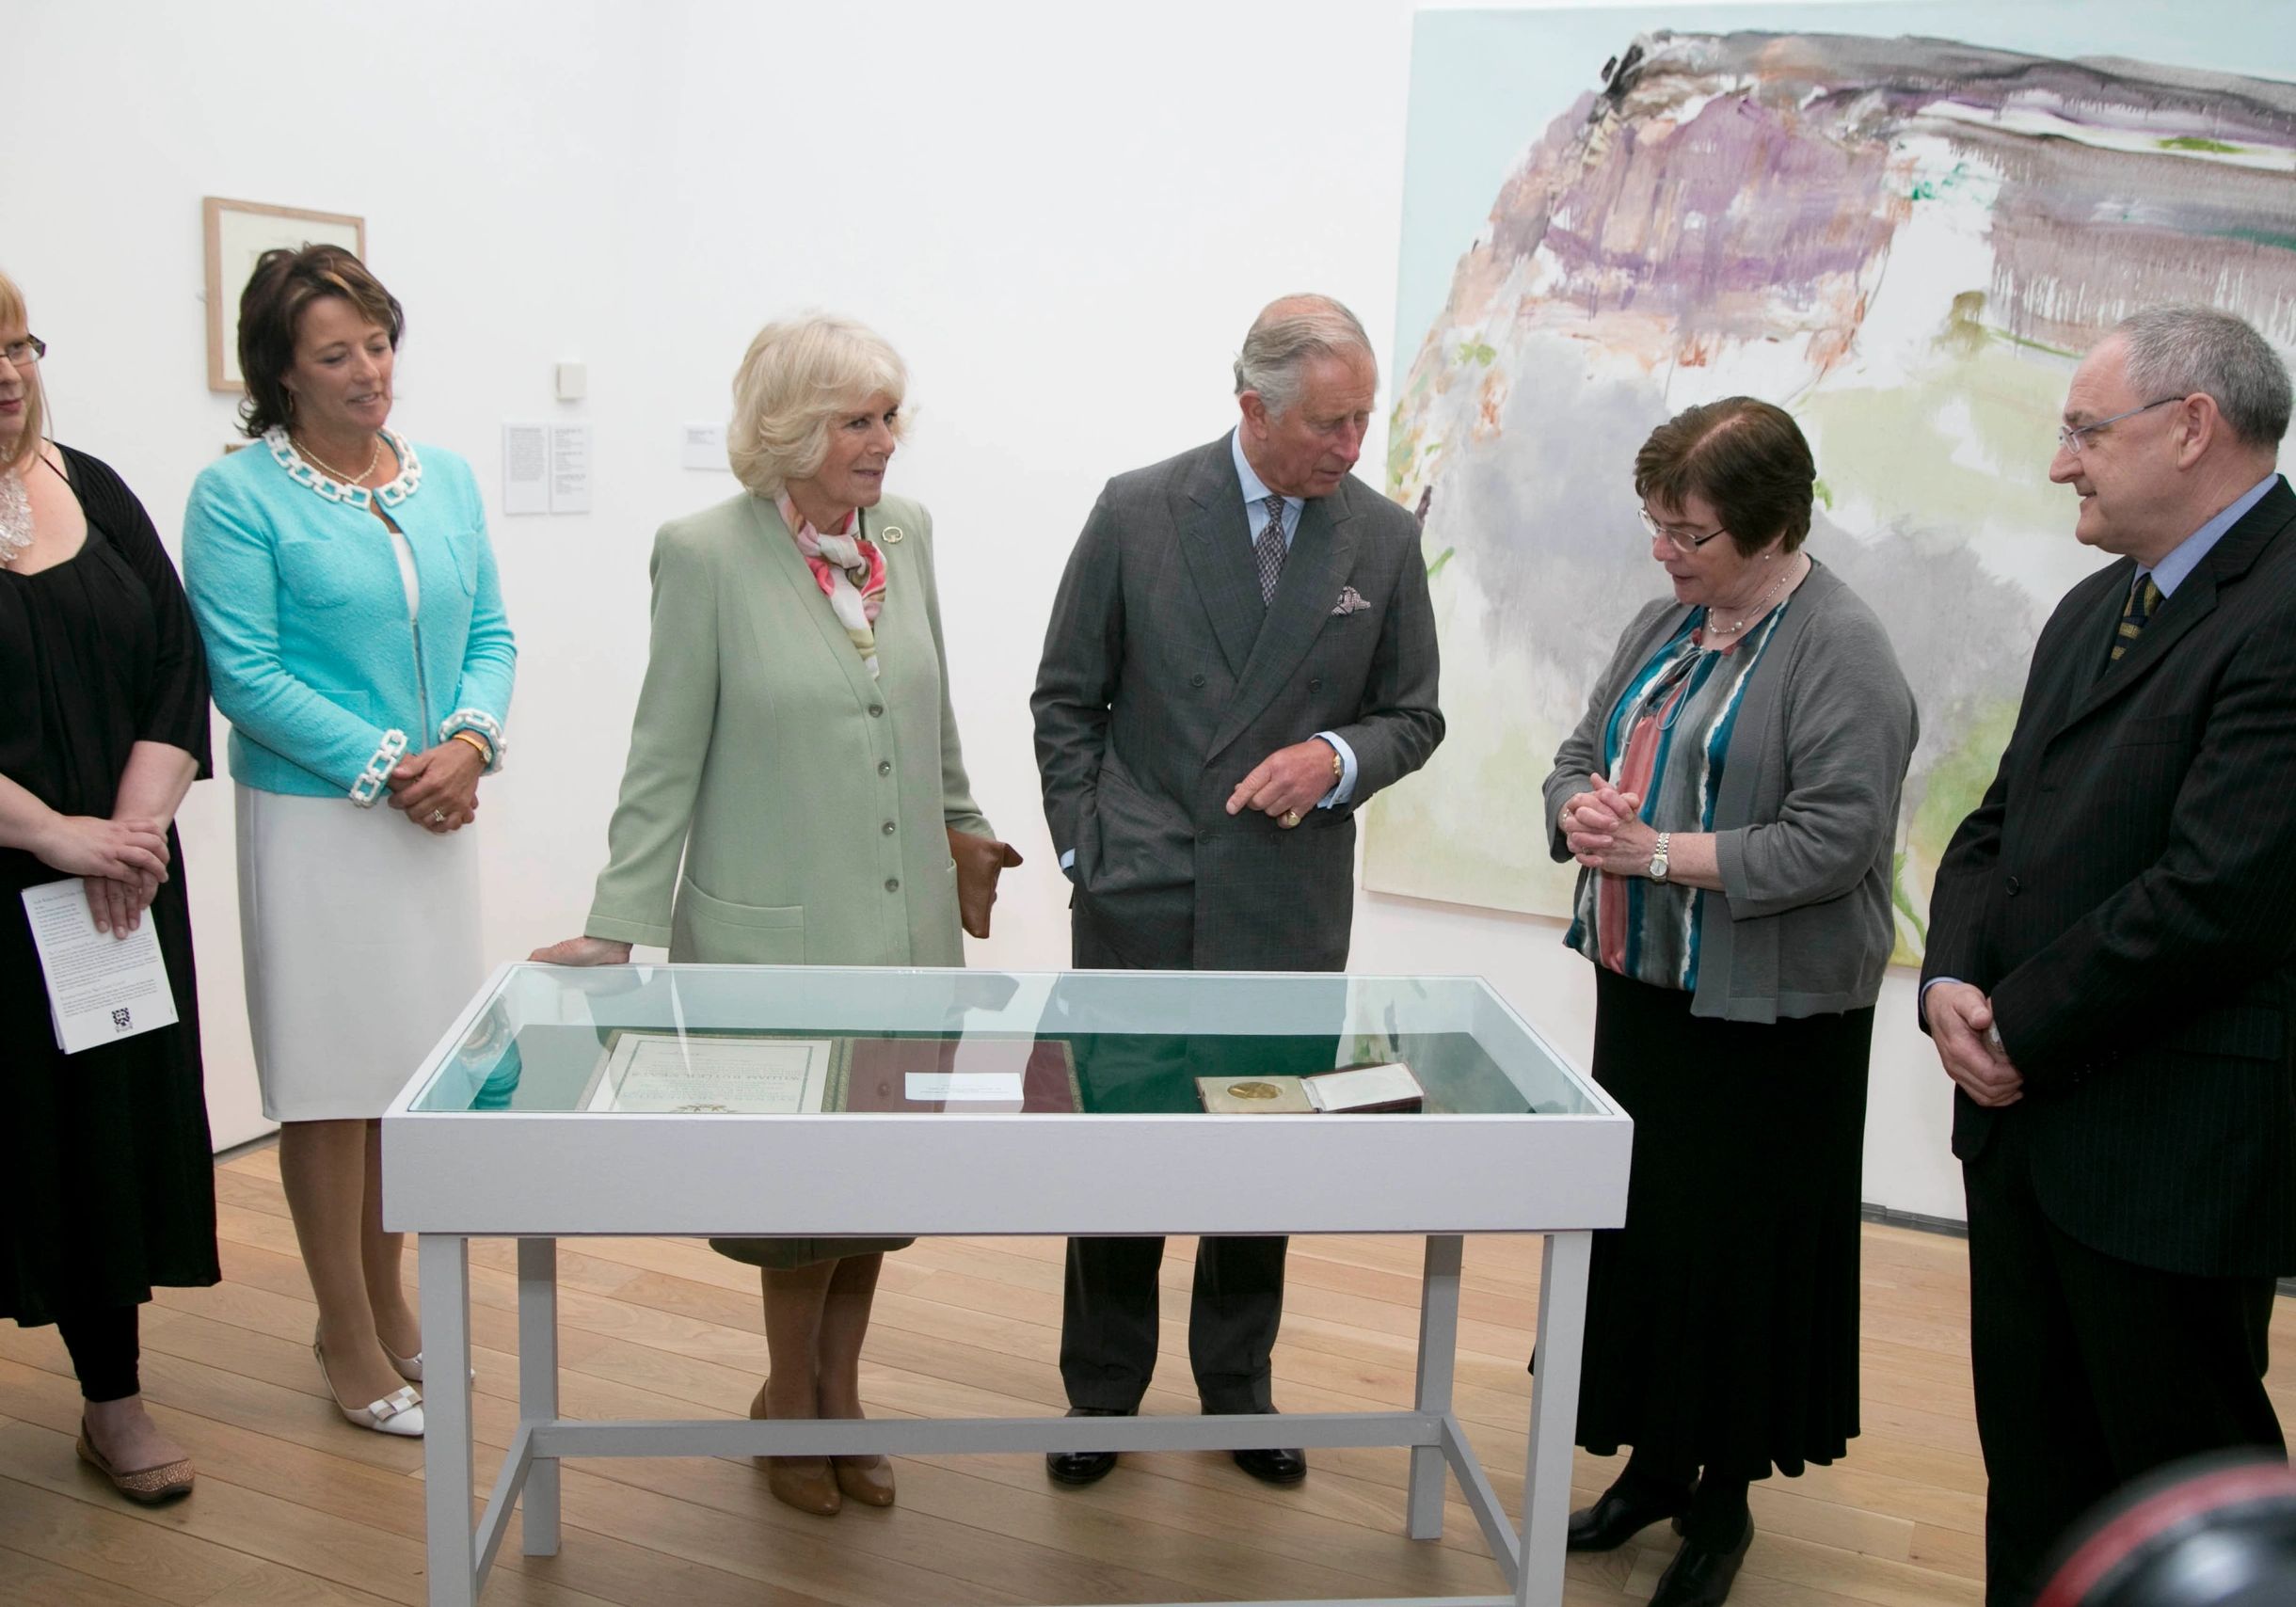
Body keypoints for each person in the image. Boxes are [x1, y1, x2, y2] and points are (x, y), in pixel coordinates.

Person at [532, 313, 1019, 1518]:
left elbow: (930, 708)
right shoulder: (703, 554)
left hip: (907, 943)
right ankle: (786, 1402)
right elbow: (664, 755)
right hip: (773, 944)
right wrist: (618, 919)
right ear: (791, 430)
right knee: (795, 1204)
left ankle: (840, 1396)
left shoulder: (907, 535)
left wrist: (962, 822)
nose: (883, 442)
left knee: (875, 1202)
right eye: (856, 420)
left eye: (889, 415)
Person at [1029, 293, 1443, 1488]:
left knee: (1262, 1158)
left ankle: (1237, 1385)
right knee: (1121, 1154)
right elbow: (1067, 699)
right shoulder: (1139, 510)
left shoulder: (1380, 537)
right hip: (1139, 895)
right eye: (1329, 422)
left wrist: (1338, 759)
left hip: (1285, 906)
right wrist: (1081, 846)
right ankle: (1101, 1393)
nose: (1351, 445)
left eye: (1363, 418)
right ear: (1251, 408)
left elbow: (1415, 713)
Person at [1921, 306, 2296, 1606]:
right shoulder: (2095, 608)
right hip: (2027, 1134)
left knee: (2183, 1498)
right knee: (2035, 1478)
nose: (2061, 463)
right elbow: (1996, 828)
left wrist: (2015, 1027)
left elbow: (2224, 893)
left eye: (2086, 430)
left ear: (2193, 427)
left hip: (2166, 1148)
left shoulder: (2287, 607)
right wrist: (1948, 987)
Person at [1540, 397, 1916, 1607]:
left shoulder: (1840, 646)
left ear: (1768, 529)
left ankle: (1721, 1503)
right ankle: (1653, 1466)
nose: (1663, 551)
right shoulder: (1667, 623)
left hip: (1769, 1025)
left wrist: (1654, 853)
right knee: (1650, 1247)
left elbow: (1835, 842)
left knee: (1735, 1266)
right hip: (1645, 997)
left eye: (1686, 531)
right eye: (1655, 523)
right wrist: (1578, 815)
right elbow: (1576, 754)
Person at [183, 245, 518, 1441]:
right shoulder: (237, 498)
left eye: (378, 342)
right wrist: (389, 767)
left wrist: (468, 745)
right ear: (281, 370)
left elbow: (489, 627)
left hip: (437, 813)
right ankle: (344, 1328)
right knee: (331, 1089)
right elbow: (246, 675)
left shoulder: (447, 480)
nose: (370, 371)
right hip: (320, 819)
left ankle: (391, 1302)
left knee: (406, 1082)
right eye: (337, 354)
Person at [0, 271, 218, 1503]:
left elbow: (172, 664)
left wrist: (132, 831)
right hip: (22, 885)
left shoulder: (90, 483)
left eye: (20, 343)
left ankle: (114, 1401)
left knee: (103, 1146)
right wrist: (59, 836)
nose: (7, 371)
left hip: (114, 899)